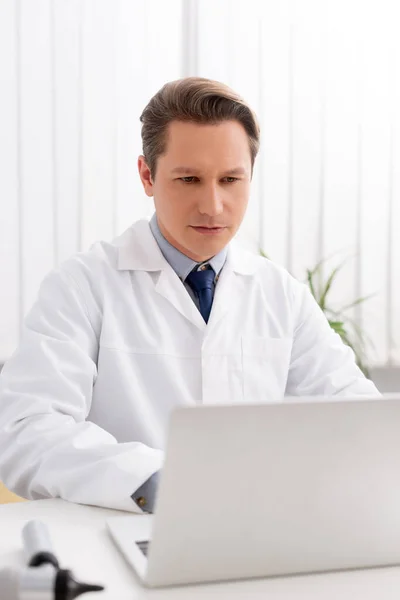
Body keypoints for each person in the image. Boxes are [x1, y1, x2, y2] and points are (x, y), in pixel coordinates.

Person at [0, 77, 379, 513]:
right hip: (124, 530)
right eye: (189, 179)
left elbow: (359, 421)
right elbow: (28, 431)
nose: (213, 205)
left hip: (254, 527)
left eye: (231, 179)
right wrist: (160, 483)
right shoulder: (83, 287)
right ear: (147, 175)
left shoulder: (281, 296)